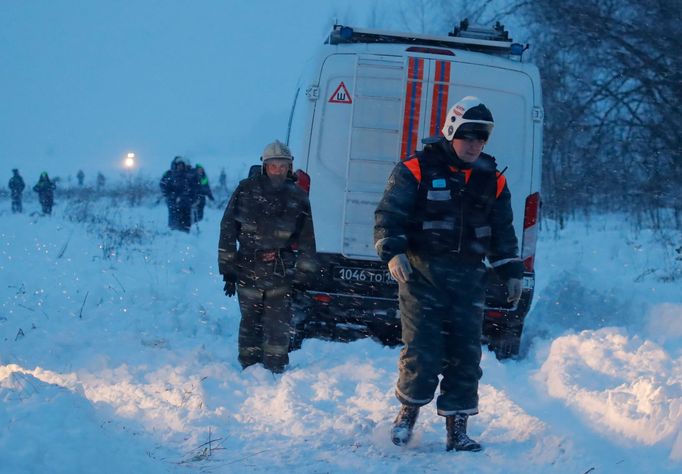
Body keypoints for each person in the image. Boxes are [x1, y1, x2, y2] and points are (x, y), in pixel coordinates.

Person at [374, 96, 523, 452]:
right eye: (468, 136)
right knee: (422, 350)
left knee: (466, 354)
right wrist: (392, 252)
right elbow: (389, 214)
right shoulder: (416, 169)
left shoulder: (492, 180)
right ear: (451, 131)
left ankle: (458, 430)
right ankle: (407, 414)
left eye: (481, 138)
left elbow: (503, 231)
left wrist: (511, 269)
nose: (474, 145)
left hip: (470, 278)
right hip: (421, 276)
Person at [218, 140, 317, 374]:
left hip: (281, 270)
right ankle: (249, 367)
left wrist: (304, 274)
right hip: (247, 267)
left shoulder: (298, 196)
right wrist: (228, 270)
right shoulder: (246, 190)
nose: (279, 170)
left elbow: (307, 237)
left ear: (290, 167)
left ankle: (274, 367)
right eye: (274, 165)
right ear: (265, 166)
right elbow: (228, 229)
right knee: (250, 320)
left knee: (278, 323)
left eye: (284, 165)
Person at [159, 156, 198, 232]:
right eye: (178, 165)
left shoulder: (188, 175)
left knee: (186, 217)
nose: (180, 167)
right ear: (175, 165)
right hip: (173, 202)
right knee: (174, 218)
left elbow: (194, 187)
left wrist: (193, 198)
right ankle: (174, 231)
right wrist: (170, 195)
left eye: (182, 165)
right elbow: (163, 185)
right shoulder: (169, 174)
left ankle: (186, 231)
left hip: (186, 202)